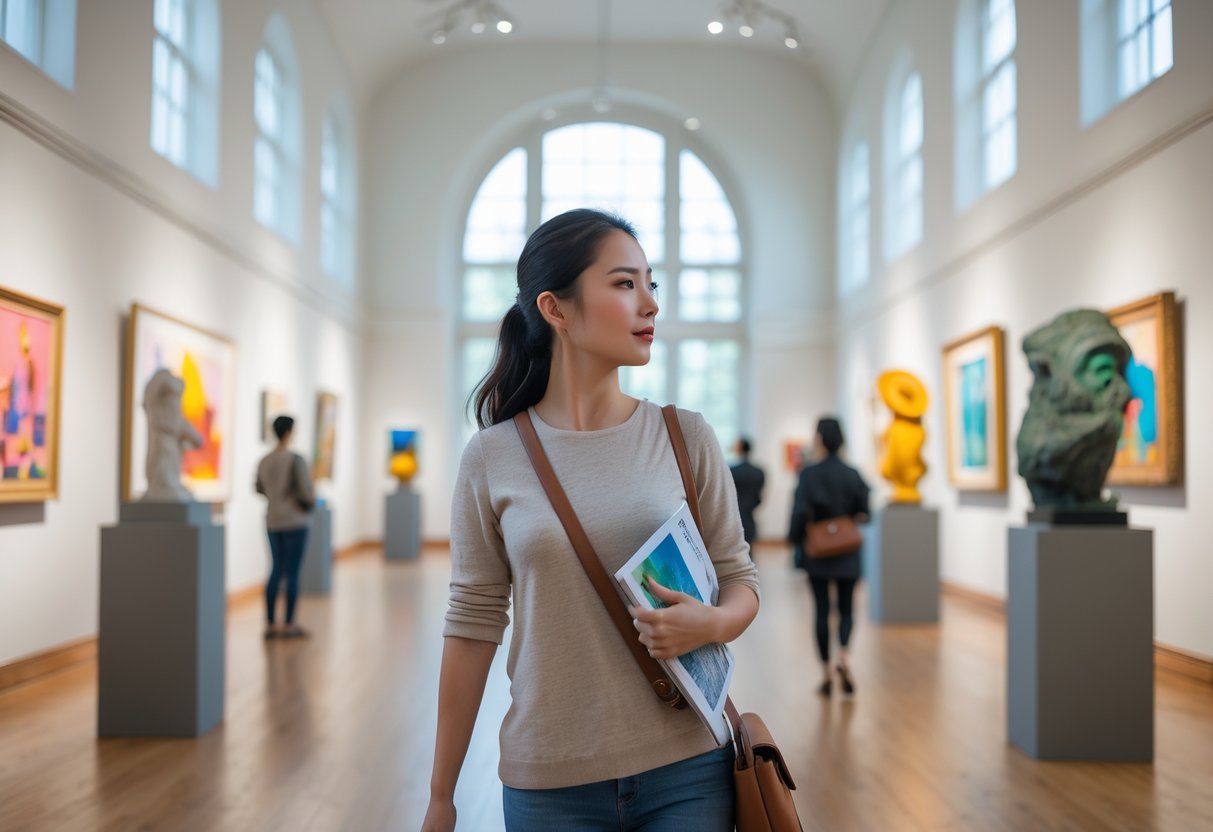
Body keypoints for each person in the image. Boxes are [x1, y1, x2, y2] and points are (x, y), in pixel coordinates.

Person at [422, 209, 760, 832]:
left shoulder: (684, 436)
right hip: (549, 778)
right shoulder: (492, 457)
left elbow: (741, 579)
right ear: (555, 308)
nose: (651, 304)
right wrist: (441, 797)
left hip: (688, 765)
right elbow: (472, 624)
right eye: (625, 284)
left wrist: (711, 621)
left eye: (651, 284)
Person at [788, 417, 870, 698]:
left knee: (822, 610)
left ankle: (825, 673)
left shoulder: (809, 474)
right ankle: (844, 656)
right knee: (847, 609)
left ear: (820, 439)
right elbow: (865, 510)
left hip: (819, 551)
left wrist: (794, 541)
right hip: (848, 549)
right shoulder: (853, 473)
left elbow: (799, 512)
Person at [255, 415, 315, 640]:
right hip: (295, 521)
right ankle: (289, 623)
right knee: (292, 573)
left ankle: (271, 623)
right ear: (289, 432)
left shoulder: (264, 460)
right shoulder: (295, 459)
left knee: (275, 569)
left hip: (273, 521)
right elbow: (305, 491)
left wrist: (275, 497)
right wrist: (308, 502)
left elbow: (258, 487)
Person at [729, 437, 765, 546]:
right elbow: (758, 498)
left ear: (739, 448)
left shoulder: (732, 471)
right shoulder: (758, 472)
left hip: (734, 519)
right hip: (750, 518)